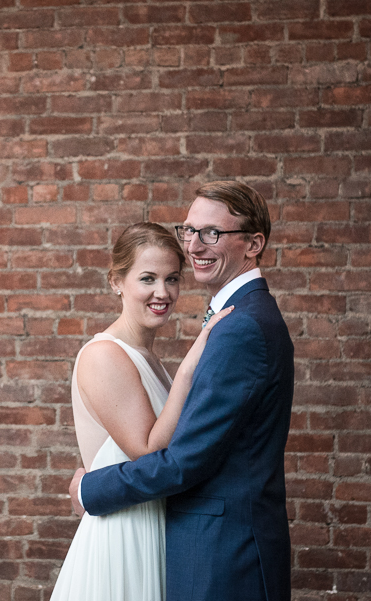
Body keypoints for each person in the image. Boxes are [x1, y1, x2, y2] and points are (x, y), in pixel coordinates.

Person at [69, 181, 295, 601]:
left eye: (212, 233)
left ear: (253, 244)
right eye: (189, 231)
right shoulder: (239, 320)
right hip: (152, 540)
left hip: (222, 550)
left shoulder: (241, 326)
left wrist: (90, 488)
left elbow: (182, 461)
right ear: (116, 281)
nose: (195, 244)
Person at [51, 222, 233, 601]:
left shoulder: (148, 358)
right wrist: (191, 365)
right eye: (147, 278)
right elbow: (148, 452)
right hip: (123, 537)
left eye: (172, 278)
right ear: (116, 281)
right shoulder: (105, 355)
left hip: (155, 528)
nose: (162, 293)